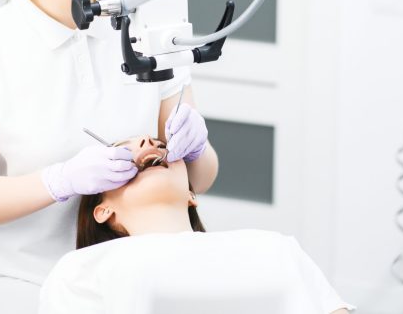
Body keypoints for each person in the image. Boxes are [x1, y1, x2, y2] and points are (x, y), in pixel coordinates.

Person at [0, 0, 218, 314]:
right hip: (22, 282)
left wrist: (196, 148)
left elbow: (200, 181)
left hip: (135, 278)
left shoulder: (149, 27)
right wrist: (59, 181)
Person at [39, 133, 354, 314]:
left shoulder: (274, 247)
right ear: (102, 209)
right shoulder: (81, 270)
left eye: (162, 145)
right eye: (124, 153)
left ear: (192, 194)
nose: (150, 141)